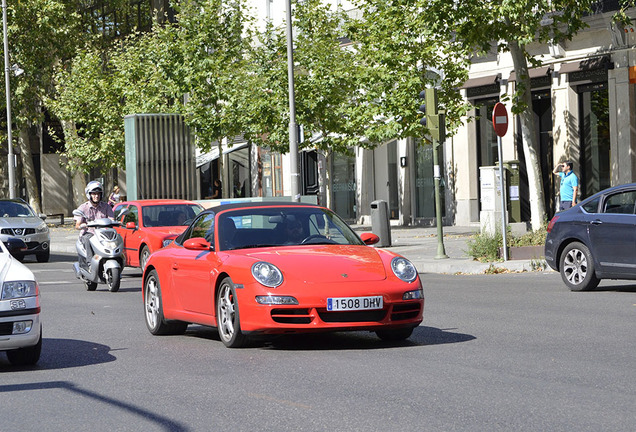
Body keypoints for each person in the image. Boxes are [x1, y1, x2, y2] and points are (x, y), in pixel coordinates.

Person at [75, 181, 115, 268]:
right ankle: (90, 265)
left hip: (103, 234)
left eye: (98, 194)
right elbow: (77, 225)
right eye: (93, 194)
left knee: (116, 238)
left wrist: (115, 222)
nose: (96, 196)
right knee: (88, 239)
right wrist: (82, 225)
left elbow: (112, 219)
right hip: (90, 233)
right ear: (89, 194)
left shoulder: (106, 206)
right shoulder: (83, 207)